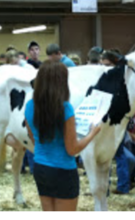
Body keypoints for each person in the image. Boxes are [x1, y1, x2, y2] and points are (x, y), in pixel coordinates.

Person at [24, 60, 101, 211]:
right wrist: (92, 133)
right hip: (63, 171)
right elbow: (72, 149)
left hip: (40, 168)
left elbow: (33, 138)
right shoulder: (65, 109)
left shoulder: (29, 106)